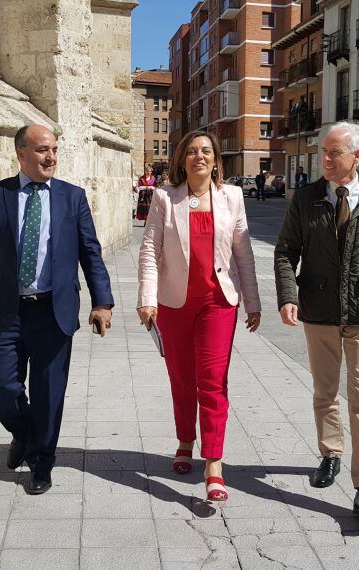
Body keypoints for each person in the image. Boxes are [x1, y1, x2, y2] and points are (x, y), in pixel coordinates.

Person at [0, 124, 115, 495]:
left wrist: (102, 301)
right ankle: (25, 433)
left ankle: (42, 462)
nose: (51, 157)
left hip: (53, 312)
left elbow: (90, 252)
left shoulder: (71, 197)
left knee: (49, 392)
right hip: (7, 311)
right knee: (1, 382)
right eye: (43, 150)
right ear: (22, 154)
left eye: (55, 150)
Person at [273, 121, 359, 519]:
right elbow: (285, 252)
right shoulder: (307, 198)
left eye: (334, 153)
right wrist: (287, 296)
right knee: (325, 390)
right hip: (319, 310)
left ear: (357, 156)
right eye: (324, 153)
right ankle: (331, 453)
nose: (326, 160)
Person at [137, 131, 262, 502]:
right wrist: (147, 298)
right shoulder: (164, 197)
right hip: (174, 304)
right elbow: (149, 250)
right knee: (181, 377)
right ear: (182, 159)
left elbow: (243, 254)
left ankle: (213, 462)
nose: (199, 157)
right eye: (191, 151)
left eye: (205, 151)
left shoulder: (233, 197)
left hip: (218, 303)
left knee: (212, 380)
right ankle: (184, 440)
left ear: (216, 159)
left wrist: (252, 302)